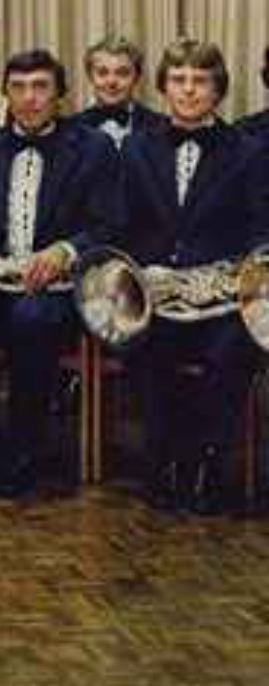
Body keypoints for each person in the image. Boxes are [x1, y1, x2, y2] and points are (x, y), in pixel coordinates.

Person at [0, 49, 121, 498]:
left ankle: (24, 451)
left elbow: (108, 225)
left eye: (40, 87)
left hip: (57, 289)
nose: (29, 98)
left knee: (31, 317)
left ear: (60, 94)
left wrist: (64, 251)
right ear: (5, 95)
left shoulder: (94, 148)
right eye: (18, 88)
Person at [113, 38, 269, 513]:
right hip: (159, 292)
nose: (188, 90)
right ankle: (161, 462)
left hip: (220, 297)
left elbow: (260, 226)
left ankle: (209, 464)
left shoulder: (247, 151)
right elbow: (123, 224)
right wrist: (146, 270)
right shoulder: (136, 150)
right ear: (162, 88)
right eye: (178, 80)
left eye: (200, 81)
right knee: (145, 343)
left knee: (228, 352)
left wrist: (231, 275)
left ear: (218, 90)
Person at [72, 34, 161, 150]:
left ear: (137, 78)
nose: (111, 82)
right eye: (102, 73)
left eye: (122, 73)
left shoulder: (160, 126)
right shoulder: (70, 129)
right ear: (90, 77)